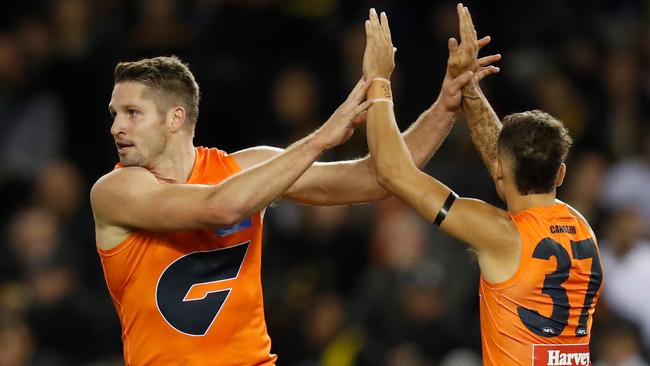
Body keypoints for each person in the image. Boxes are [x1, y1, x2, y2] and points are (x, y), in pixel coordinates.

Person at [90, 27, 500, 366]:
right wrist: (321, 138)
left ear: (175, 118)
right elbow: (220, 206)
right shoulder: (116, 190)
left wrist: (446, 105)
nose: (116, 128)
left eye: (132, 113)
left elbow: (378, 178)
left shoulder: (247, 169)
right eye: (115, 114)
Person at [363, 4, 603, 366]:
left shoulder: (499, 234)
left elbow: (393, 173)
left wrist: (379, 81)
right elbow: (503, 158)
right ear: (560, 175)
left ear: (500, 171)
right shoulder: (583, 229)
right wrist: (469, 89)